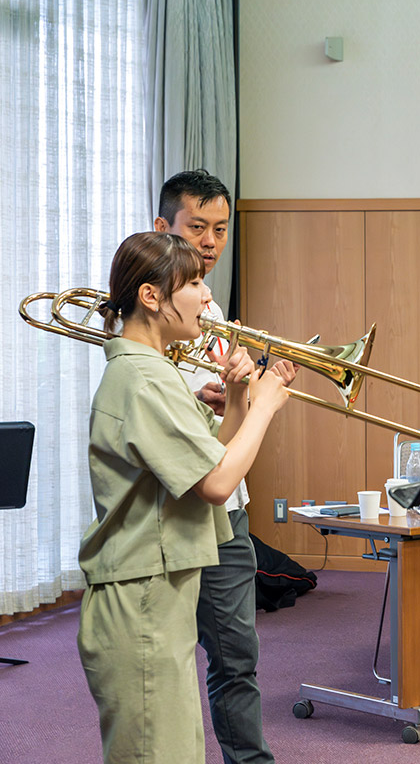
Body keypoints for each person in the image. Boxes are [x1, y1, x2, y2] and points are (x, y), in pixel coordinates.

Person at [78, 232, 289, 762]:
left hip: (160, 589)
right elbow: (218, 485)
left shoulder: (158, 371)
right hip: (141, 594)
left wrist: (240, 395)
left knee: (176, 749)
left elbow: (210, 458)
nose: (206, 296)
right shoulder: (143, 379)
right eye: (194, 283)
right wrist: (265, 408)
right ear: (151, 297)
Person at [155, 169, 294, 764]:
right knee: (162, 667)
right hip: (170, 524)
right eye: (196, 228)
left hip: (228, 517)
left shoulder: (214, 314)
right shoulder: (145, 313)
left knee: (238, 656)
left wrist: (241, 397)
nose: (210, 242)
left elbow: (219, 443)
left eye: (219, 230)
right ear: (164, 228)